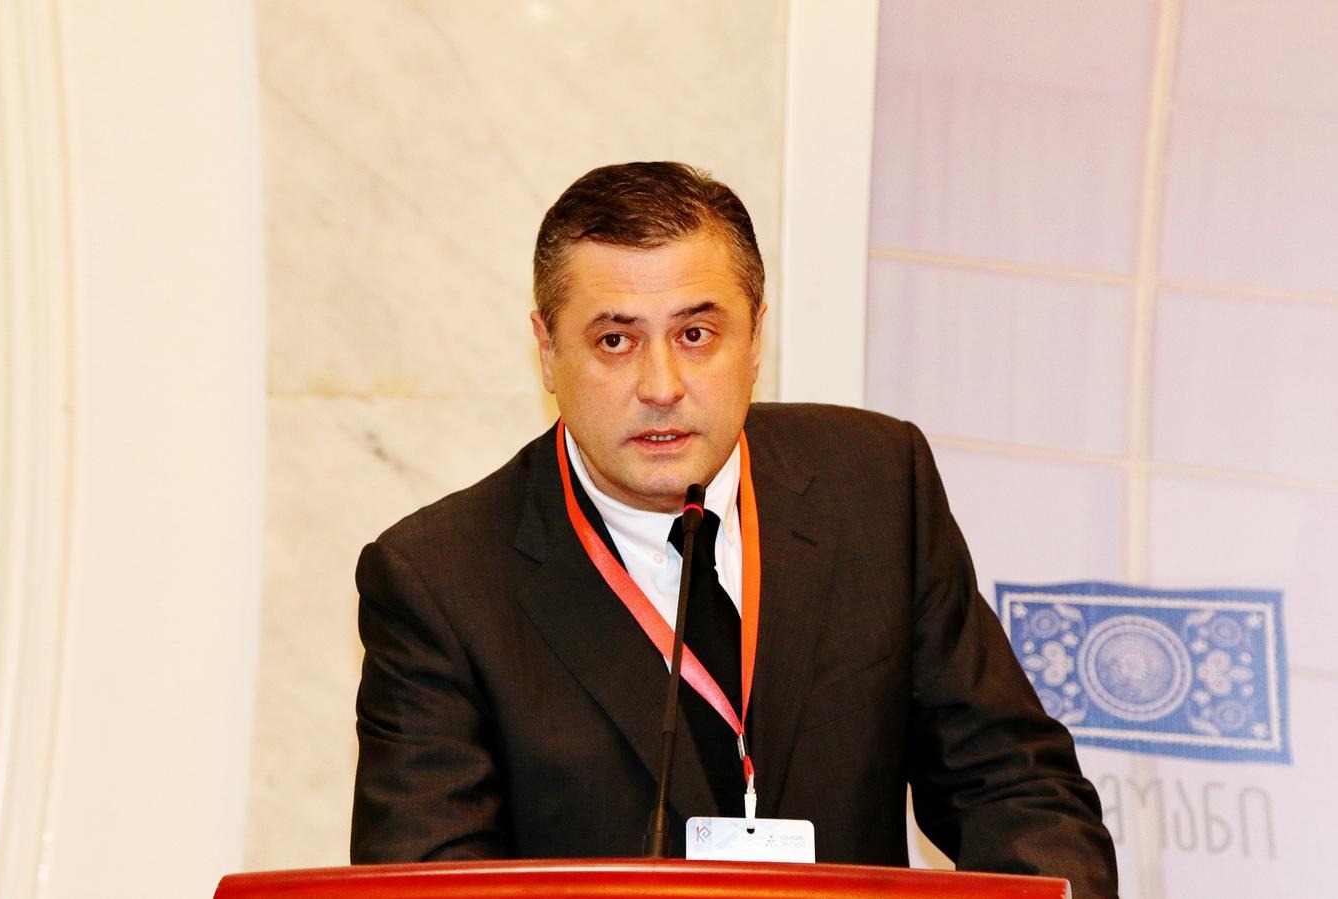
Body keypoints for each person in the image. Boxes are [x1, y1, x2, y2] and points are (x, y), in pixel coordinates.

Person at [351, 161, 1118, 896]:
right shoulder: (439, 582)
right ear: (548, 352)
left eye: (696, 334)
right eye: (615, 340)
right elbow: (426, 882)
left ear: (755, 339)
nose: (661, 387)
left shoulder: (877, 487)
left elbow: (1014, 786)